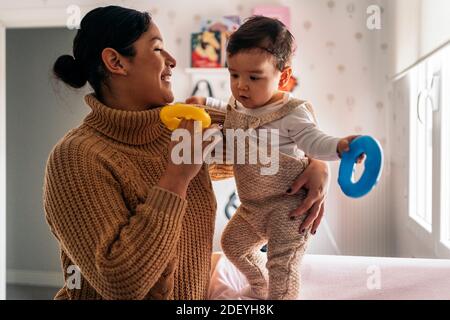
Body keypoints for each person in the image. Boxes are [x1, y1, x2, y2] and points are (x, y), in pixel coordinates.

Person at [44, 6, 331, 300]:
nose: (172, 60)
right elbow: (121, 284)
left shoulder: (187, 124)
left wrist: (316, 164)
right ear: (116, 61)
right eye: (157, 49)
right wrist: (177, 178)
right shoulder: (75, 158)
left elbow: (274, 125)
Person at [187, 16, 362, 299]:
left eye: (254, 77)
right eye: (233, 75)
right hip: (253, 207)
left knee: (282, 265)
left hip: (289, 207)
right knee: (232, 244)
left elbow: (315, 141)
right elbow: (228, 110)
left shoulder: (292, 113)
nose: (241, 86)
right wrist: (204, 103)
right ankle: (260, 285)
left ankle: (278, 295)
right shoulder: (239, 105)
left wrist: (340, 146)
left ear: (282, 76)